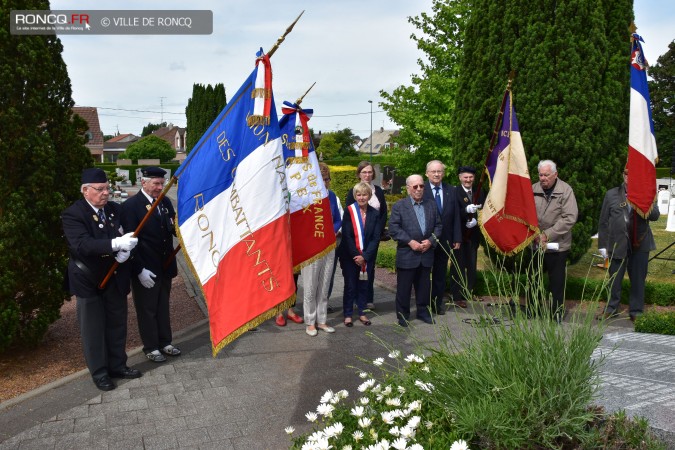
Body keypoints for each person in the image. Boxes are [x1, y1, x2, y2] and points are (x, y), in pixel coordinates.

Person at [62, 168, 141, 391]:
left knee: (117, 324)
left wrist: (128, 252)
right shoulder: (74, 214)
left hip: (115, 276)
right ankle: (100, 373)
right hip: (89, 279)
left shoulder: (115, 210)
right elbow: (82, 245)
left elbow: (131, 236)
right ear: (85, 191)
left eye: (107, 188)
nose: (106, 193)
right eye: (100, 189)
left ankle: (118, 365)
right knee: (93, 329)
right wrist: (115, 245)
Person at [121, 167, 181, 362]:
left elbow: (172, 228)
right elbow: (130, 241)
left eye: (161, 184)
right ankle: (151, 347)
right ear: (143, 182)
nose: (159, 187)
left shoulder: (164, 202)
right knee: (147, 309)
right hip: (145, 267)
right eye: (155, 183)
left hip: (164, 265)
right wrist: (139, 270)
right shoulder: (131, 206)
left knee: (163, 306)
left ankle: (165, 342)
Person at [597, 167, 660, 322]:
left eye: (632, 173)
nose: (629, 176)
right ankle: (612, 309)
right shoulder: (611, 194)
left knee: (638, 280)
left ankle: (636, 311)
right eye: (626, 173)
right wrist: (603, 245)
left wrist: (643, 201)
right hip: (618, 243)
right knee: (614, 279)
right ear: (622, 175)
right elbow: (604, 221)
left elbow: (655, 216)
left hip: (640, 243)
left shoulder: (646, 193)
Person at [389, 174, 442, 326]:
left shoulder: (431, 204)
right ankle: (403, 315)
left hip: (426, 254)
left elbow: (439, 226)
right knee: (404, 289)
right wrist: (410, 241)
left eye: (421, 186)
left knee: (424, 287)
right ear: (408, 189)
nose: (419, 189)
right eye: (415, 186)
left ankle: (423, 312)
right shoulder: (400, 206)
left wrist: (431, 241)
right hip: (407, 254)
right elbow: (394, 228)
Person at [532, 160, 578, 322]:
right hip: (536, 243)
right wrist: (536, 234)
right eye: (541, 175)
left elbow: (569, 217)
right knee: (534, 279)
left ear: (555, 174)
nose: (543, 178)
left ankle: (556, 312)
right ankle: (534, 310)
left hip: (558, 245)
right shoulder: (533, 189)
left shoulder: (565, 190)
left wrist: (547, 234)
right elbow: (527, 213)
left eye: (546, 175)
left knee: (556, 283)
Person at [301, 163, 342, 336]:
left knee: (324, 284)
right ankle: (310, 322)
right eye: (320, 178)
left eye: (326, 179)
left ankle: (322, 320)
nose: (324, 182)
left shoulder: (332, 196)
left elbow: (338, 219)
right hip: (311, 247)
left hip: (329, 246)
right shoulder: (305, 199)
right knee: (311, 286)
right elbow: (302, 224)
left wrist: (332, 232)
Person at [345, 161, 388, 310]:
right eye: (364, 172)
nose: (367, 175)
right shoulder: (353, 191)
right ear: (359, 174)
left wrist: (378, 231)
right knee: (357, 267)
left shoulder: (379, 191)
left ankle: (368, 298)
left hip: (372, 238)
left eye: (370, 172)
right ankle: (356, 299)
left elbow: (383, 214)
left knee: (370, 268)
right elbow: (349, 215)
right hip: (357, 238)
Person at [339, 182, 382, 327]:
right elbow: (347, 235)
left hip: (366, 257)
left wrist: (365, 256)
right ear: (355, 196)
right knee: (350, 285)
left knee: (364, 284)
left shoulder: (374, 213)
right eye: (359, 194)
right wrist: (356, 255)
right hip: (350, 256)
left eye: (364, 194)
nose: (362, 197)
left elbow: (376, 237)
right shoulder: (349, 211)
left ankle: (362, 313)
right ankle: (348, 314)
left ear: (369, 196)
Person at [423, 160, 461, 315]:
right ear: (427, 173)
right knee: (424, 274)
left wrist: (457, 237)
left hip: (445, 239)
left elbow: (456, 216)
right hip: (426, 240)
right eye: (433, 171)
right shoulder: (421, 189)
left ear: (443, 174)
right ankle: (423, 304)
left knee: (440, 274)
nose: (437, 174)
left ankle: (437, 304)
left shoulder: (451, 190)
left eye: (439, 171)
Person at [451, 166, 486, 308]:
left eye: (471, 177)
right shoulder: (454, 192)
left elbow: (483, 209)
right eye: (465, 177)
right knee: (457, 265)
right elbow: (452, 212)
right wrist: (465, 211)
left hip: (473, 235)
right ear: (460, 177)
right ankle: (457, 295)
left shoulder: (479, 192)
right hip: (459, 235)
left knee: (472, 264)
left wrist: (477, 220)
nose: (468, 180)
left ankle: (468, 292)